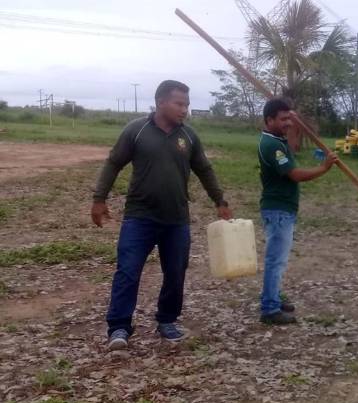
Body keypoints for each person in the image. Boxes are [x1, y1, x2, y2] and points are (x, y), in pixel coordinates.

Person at [91, 80, 232, 350]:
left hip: (176, 219)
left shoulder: (188, 136)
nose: (185, 110)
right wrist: (99, 199)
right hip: (139, 217)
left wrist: (220, 200)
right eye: (179, 104)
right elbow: (113, 163)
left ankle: (167, 320)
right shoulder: (137, 130)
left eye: (187, 104)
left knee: (176, 272)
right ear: (161, 102)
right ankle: (119, 327)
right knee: (128, 271)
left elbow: (204, 169)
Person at [258, 98, 338, 325]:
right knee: (276, 260)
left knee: (277, 259)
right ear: (269, 120)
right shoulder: (271, 145)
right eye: (282, 119)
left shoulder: (277, 140)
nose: (287, 123)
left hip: (282, 208)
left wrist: (294, 124)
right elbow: (294, 174)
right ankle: (269, 309)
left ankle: (270, 296)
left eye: (288, 118)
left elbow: (292, 148)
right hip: (278, 209)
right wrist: (324, 167)